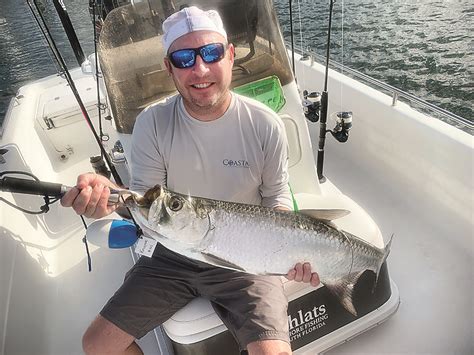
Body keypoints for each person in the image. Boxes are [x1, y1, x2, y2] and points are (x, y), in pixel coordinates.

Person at [62, 6, 320, 355]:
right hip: (172, 254)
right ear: (169, 68)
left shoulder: (264, 124)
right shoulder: (152, 123)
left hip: (246, 258)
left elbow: (276, 199)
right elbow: (147, 203)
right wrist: (107, 200)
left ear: (229, 55)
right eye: (183, 58)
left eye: (211, 53)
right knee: (97, 344)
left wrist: (287, 252)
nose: (199, 69)